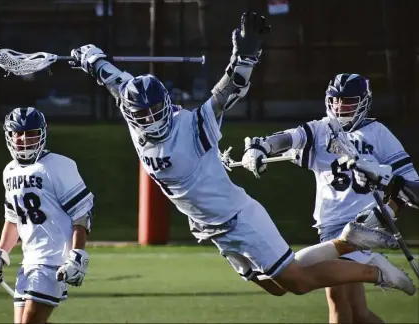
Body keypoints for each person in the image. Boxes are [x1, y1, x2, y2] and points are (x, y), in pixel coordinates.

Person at [69, 12, 414, 297]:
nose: (149, 120)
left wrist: (245, 57)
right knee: (274, 287)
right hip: (208, 226)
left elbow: (227, 91)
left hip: (238, 217)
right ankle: (348, 242)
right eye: (142, 115)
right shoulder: (135, 117)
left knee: (295, 282)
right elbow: (116, 82)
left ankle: (374, 270)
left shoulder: (192, 126)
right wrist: (92, 59)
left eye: (155, 111)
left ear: (167, 103)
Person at [240, 73, 418, 322]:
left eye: (348, 101)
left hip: (364, 226)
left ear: (364, 101)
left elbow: (413, 187)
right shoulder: (321, 129)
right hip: (330, 226)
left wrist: (389, 207)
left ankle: (376, 269)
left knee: (327, 297)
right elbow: (290, 137)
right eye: (336, 101)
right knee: (357, 312)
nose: (340, 107)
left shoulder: (378, 133)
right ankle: (377, 269)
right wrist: (263, 147)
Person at [0, 107, 94, 324]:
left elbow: (81, 214)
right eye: (19, 133)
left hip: (53, 261)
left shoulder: (58, 165)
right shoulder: (10, 171)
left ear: (42, 133)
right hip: (29, 261)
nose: (25, 139)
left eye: (31, 132)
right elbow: (13, 218)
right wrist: (1, 252)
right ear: (9, 135)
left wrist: (77, 254)